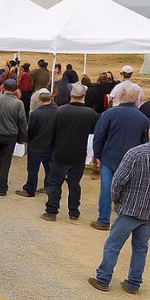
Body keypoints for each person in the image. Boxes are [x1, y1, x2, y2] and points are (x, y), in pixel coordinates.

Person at [89, 117, 150, 293]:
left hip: (130, 208)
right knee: (141, 247)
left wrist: (117, 200)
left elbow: (117, 181)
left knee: (113, 244)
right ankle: (133, 283)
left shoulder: (135, 153)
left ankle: (103, 279)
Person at [90, 82, 149, 230]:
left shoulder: (108, 114)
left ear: (121, 96)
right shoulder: (143, 119)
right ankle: (123, 222)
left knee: (106, 189)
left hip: (109, 158)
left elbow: (99, 136)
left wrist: (96, 155)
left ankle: (103, 220)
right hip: (132, 162)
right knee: (129, 191)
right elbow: (145, 143)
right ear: (136, 98)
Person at [43, 83, 99, 221]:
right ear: (83, 96)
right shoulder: (90, 114)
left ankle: (51, 210)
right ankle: (74, 211)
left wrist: (49, 150)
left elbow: (51, 133)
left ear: (71, 95)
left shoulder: (59, 111)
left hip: (60, 151)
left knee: (55, 183)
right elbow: (93, 134)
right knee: (74, 184)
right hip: (79, 154)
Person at [19, 89, 57, 196]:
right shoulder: (57, 112)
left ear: (39, 100)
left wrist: (26, 140)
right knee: (49, 168)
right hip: (51, 144)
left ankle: (30, 189)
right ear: (50, 100)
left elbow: (31, 130)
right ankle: (48, 187)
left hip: (36, 145)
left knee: (32, 169)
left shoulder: (35, 114)